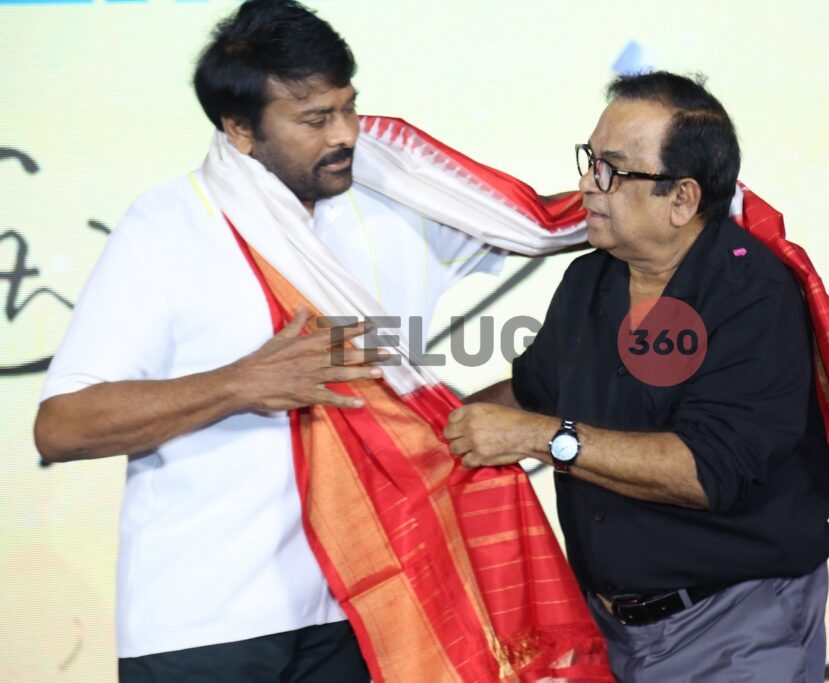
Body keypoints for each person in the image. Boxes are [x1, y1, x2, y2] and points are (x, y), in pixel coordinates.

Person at [32, 1, 510, 679]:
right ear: (239, 129)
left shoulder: (394, 206)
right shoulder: (167, 227)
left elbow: (548, 227)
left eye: (349, 107)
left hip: (368, 608)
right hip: (206, 624)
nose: (346, 134)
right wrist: (240, 384)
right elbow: (62, 427)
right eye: (315, 119)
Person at [444, 71, 829, 682]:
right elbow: (531, 395)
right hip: (609, 630)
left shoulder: (752, 294)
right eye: (589, 161)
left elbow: (706, 471)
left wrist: (538, 438)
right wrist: (429, 429)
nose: (588, 184)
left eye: (612, 170)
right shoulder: (590, 279)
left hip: (736, 623)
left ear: (682, 199)